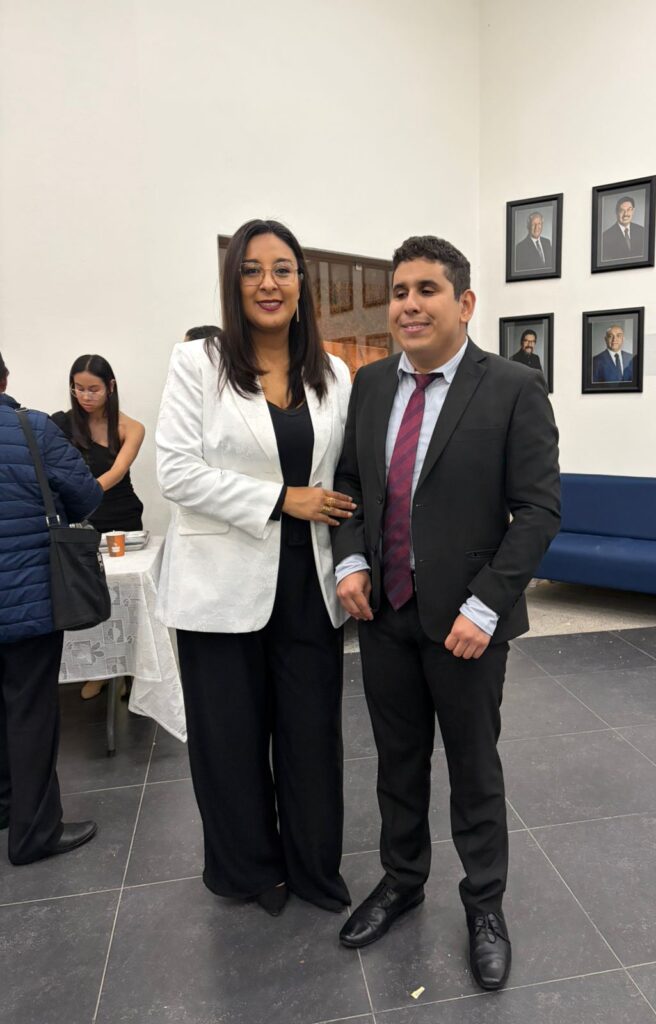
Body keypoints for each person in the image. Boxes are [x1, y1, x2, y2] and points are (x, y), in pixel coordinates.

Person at [333, 235, 560, 989]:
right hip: (386, 615)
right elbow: (350, 483)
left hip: (468, 624)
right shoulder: (371, 385)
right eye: (399, 291)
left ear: (464, 303)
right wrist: (351, 559)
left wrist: (487, 605)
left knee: (473, 768)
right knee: (397, 763)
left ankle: (484, 905)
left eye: (426, 289)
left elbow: (538, 511)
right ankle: (402, 880)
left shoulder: (514, 387)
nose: (409, 304)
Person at [155, 218, 354, 917]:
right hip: (219, 585)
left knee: (312, 737)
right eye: (251, 270)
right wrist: (280, 499)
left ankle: (313, 867)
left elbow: (346, 475)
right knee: (230, 741)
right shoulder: (199, 364)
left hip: (310, 584)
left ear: (302, 284)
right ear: (232, 281)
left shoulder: (334, 374)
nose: (268, 283)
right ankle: (250, 870)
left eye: (282, 269)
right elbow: (175, 472)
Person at [0, 399, 103, 862]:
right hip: (26, 593)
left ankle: (5, 805)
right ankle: (34, 833)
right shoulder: (32, 428)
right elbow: (87, 495)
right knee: (31, 710)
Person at [52, 355, 146, 699]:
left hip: (121, 517)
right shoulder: (60, 424)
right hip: (80, 521)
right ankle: (99, 670)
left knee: (125, 600)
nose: (85, 396)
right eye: (78, 388)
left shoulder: (130, 428)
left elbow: (117, 472)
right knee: (86, 595)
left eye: (93, 389)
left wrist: (85, 492)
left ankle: (132, 673)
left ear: (111, 387)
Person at [601, 195, 646, 261]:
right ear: (616, 212)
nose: (626, 214)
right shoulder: (605, 237)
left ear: (633, 211)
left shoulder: (642, 231)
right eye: (622, 210)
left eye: (629, 210)